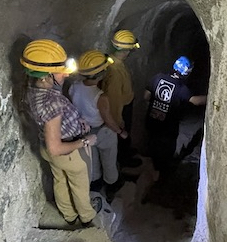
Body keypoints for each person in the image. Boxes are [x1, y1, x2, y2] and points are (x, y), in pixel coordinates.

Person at [21, 39, 99, 227]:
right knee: (79, 186)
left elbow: (52, 121)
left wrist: (76, 121)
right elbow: (55, 147)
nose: (65, 74)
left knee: (60, 181)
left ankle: (69, 216)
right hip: (68, 152)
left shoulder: (32, 89)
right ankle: (87, 218)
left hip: (45, 148)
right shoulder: (51, 102)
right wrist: (86, 141)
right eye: (60, 72)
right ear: (46, 76)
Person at [69, 50, 129, 198]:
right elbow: (108, 119)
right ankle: (112, 185)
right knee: (109, 159)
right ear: (101, 73)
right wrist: (121, 132)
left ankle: (96, 188)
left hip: (84, 132)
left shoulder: (74, 86)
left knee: (92, 162)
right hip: (102, 131)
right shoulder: (100, 96)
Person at [144, 56, 207, 177]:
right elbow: (195, 101)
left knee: (152, 144)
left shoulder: (157, 77)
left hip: (152, 121)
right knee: (166, 151)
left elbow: (146, 96)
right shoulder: (181, 88)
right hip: (168, 127)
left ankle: (151, 168)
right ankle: (161, 173)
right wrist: (210, 97)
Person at [102, 29, 142, 169]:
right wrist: (118, 121)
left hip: (125, 104)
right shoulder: (115, 72)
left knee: (127, 134)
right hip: (121, 108)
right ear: (126, 50)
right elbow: (114, 100)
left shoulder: (115, 62)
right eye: (129, 50)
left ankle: (126, 151)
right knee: (123, 134)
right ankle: (124, 160)